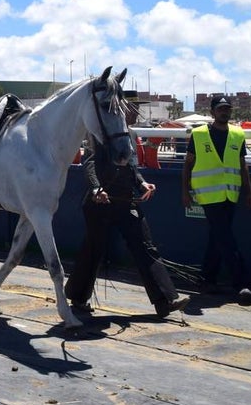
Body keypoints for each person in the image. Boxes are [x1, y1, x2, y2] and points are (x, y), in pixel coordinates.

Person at [65, 91, 190, 317]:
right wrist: (95, 188)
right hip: (100, 202)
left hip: (125, 201)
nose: (135, 113)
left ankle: (165, 301)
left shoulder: (131, 135)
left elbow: (132, 168)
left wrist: (142, 184)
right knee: (94, 250)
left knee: (145, 247)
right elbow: (90, 162)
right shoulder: (100, 134)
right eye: (132, 108)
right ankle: (77, 297)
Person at [182, 95, 251, 304]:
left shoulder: (237, 135)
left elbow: (243, 165)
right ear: (213, 112)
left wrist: (249, 192)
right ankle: (241, 283)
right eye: (221, 109)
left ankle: (207, 279)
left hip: (230, 194)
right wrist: (185, 192)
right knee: (226, 237)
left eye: (228, 109)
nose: (225, 112)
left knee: (217, 237)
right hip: (208, 195)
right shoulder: (199, 134)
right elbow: (188, 164)